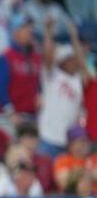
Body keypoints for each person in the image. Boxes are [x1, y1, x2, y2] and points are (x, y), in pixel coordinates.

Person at [37, 18, 83, 158]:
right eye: (67, 59)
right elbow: (48, 56)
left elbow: (81, 61)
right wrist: (48, 31)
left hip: (69, 142)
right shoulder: (52, 75)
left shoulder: (79, 81)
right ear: (61, 62)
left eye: (72, 58)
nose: (71, 61)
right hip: (48, 137)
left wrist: (74, 37)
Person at [0, 13, 41, 121]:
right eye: (24, 27)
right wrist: (10, 113)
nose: (29, 31)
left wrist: (40, 96)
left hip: (31, 116)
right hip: (8, 117)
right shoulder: (5, 57)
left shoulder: (35, 57)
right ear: (15, 32)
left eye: (30, 27)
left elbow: (38, 85)